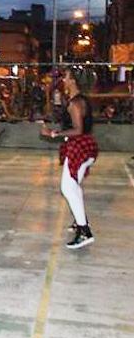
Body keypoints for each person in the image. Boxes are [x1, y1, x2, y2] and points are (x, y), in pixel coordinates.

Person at [41, 68, 98, 249]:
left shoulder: (75, 103)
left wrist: (52, 133)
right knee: (74, 186)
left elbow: (78, 130)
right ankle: (81, 222)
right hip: (85, 146)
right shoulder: (80, 99)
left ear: (73, 81)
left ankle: (84, 232)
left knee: (67, 187)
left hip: (79, 147)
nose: (63, 79)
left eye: (65, 77)